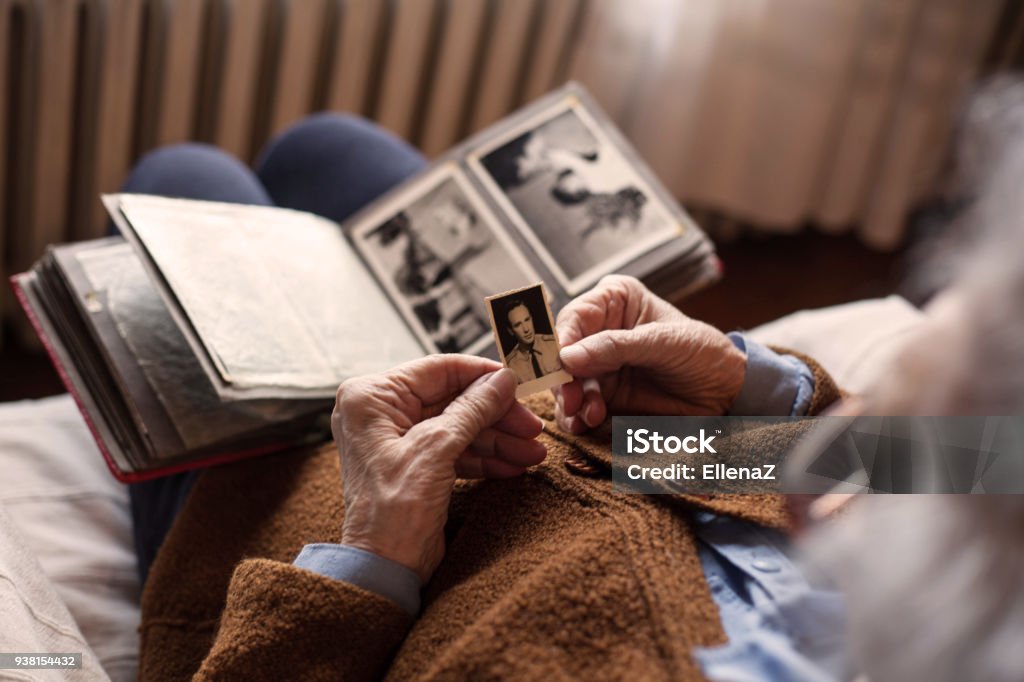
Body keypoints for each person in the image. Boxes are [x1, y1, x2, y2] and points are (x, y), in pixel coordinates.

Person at [501, 298, 562, 383]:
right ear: (510, 331)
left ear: (532, 318)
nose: (526, 329)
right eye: (518, 325)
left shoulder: (554, 344)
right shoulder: (510, 366)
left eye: (527, 320)